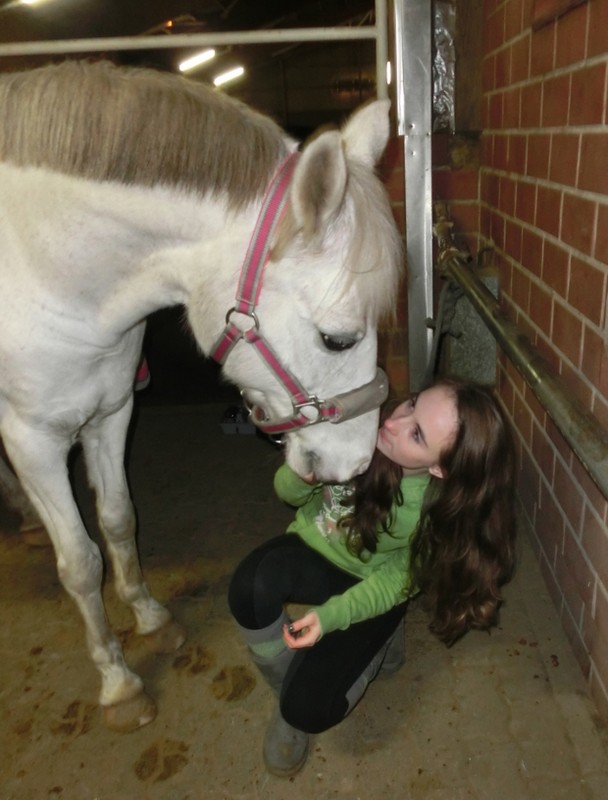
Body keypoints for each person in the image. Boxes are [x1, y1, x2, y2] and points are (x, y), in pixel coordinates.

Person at [228, 378, 517, 777]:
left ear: (439, 467)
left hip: (371, 585)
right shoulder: (356, 427)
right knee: (248, 587)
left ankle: (374, 648)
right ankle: (286, 689)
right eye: (411, 404)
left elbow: (393, 583)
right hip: (316, 547)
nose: (393, 422)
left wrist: (330, 617)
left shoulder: (432, 513)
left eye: (416, 434)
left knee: (308, 710)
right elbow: (286, 493)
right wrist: (302, 473)